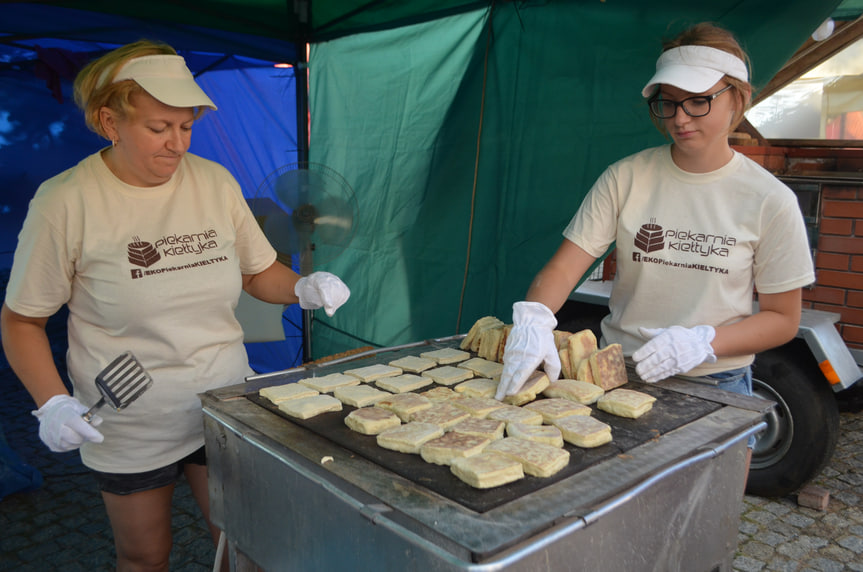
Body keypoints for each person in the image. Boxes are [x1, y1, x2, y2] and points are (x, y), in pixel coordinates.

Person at [0, 40, 350, 571]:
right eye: (158, 128)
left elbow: (257, 272)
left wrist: (302, 286)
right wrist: (52, 402)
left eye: (186, 127)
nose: (177, 144)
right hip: (129, 418)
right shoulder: (66, 201)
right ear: (108, 121)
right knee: (145, 556)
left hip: (223, 402)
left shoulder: (214, 182)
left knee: (245, 544)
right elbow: (23, 320)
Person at [495, 23, 814, 466]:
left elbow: (782, 318)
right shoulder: (626, 178)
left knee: (703, 522)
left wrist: (703, 341)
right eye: (668, 102)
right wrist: (533, 318)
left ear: (737, 97)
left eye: (698, 100)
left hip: (714, 384)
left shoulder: (769, 200)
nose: (680, 117)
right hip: (616, 374)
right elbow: (564, 269)